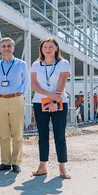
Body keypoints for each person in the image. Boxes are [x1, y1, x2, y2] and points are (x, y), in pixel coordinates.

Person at [30, 37, 71, 179]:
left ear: (56, 48)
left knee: (59, 135)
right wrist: (49, 96)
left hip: (59, 102)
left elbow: (61, 84)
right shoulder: (36, 64)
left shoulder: (63, 63)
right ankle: (42, 166)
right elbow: (34, 85)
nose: (47, 49)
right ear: (41, 49)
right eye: (45, 46)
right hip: (40, 102)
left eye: (50, 46)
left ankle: (62, 167)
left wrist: (55, 100)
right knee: (42, 135)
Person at [0, 37, 29, 174]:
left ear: (13, 48)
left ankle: (16, 162)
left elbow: (26, 84)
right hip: (0, 100)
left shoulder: (21, 64)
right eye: (4, 46)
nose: (6, 48)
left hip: (16, 98)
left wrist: (18, 96)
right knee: (3, 133)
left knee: (17, 132)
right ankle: (5, 162)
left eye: (9, 46)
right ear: (0, 49)